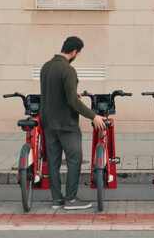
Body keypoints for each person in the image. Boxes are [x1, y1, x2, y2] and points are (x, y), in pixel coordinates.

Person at [40, 36, 106, 210]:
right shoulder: (68, 70)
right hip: (66, 125)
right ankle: (71, 199)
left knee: (53, 162)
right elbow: (72, 101)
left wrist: (72, 96)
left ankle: (56, 200)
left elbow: (51, 94)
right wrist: (93, 116)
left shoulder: (46, 67)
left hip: (48, 123)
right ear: (75, 51)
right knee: (74, 159)